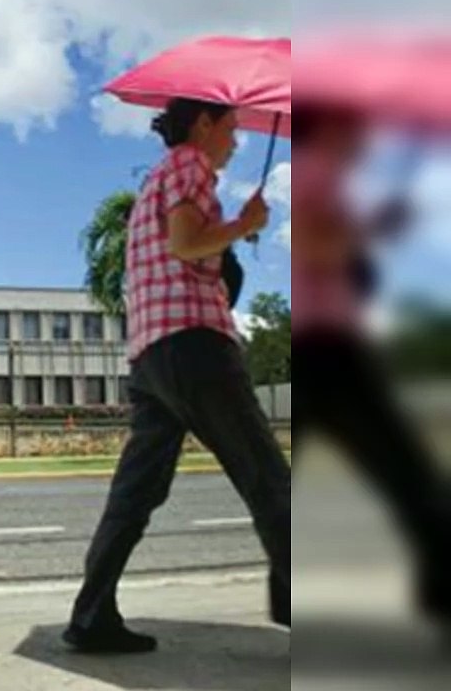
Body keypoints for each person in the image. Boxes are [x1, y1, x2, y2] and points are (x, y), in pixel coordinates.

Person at [63, 98, 290, 654]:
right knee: (268, 477)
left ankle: (91, 616)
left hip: (151, 355)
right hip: (195, 346)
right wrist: (243, 223)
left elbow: (178, 252)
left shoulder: (153, 187)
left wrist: (233, 229)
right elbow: (187, 244)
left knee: (135, 493)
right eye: (231, 129)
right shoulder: (190, 165)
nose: (235, 142)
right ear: (203, 124)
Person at [291, 104, 449, 626]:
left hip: (323, 344)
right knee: (401, 466)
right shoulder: (314, 171)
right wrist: (376, 227)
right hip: (328, 346)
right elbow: (317, 247)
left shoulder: (321, 176)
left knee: (286, 476)